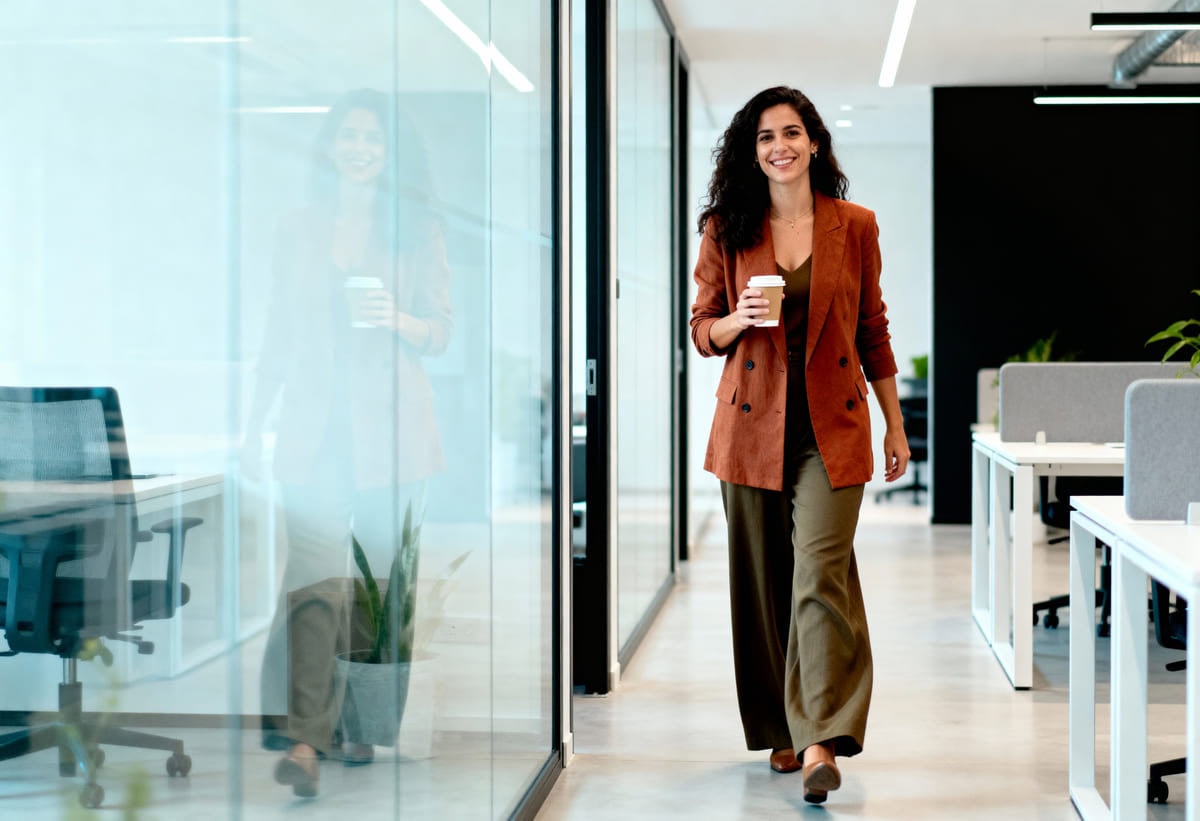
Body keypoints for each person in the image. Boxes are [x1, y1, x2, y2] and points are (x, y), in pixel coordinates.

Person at [689, 86, 909, 805]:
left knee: (821, 574)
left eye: (790, 132)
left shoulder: (857, 225)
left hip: (833, 427)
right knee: (764, 583)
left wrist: (894, 423)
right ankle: (783, 725)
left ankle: (820, 737)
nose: (778, 146)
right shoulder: (727, 227)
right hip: (751, 424)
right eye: (763, 138)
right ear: (751, 155)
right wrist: (737, 320)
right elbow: (700, 328)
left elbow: (872, 328)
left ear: (814, 142)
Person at [244, 88, 451, 798]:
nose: (360, 149)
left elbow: (441, 330)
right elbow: (276, 332)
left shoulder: (415, 229)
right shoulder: (299, 227)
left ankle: (361, 723)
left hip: (391, 433)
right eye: (350, 137)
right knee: (313, 582)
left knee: (376, 587)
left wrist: (396, 317)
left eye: (373, 139)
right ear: (331, 147)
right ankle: (307, 735)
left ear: (389, 153)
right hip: (313, 431)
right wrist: (253, 425)